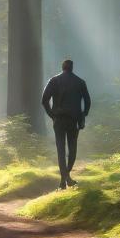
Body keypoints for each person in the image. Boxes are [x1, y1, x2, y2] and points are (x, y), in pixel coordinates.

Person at [41, 58, 91, 189]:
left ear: (63, 67)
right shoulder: (80, 82)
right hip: (74, 120)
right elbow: (88, 101)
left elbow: (44, 100)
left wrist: (52, 115)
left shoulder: (54, 80)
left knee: (61, 150)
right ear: (72, 68)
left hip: (59, 120)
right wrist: (83, 114)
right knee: (72, 149)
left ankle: (64, 180)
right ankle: (66, 177)